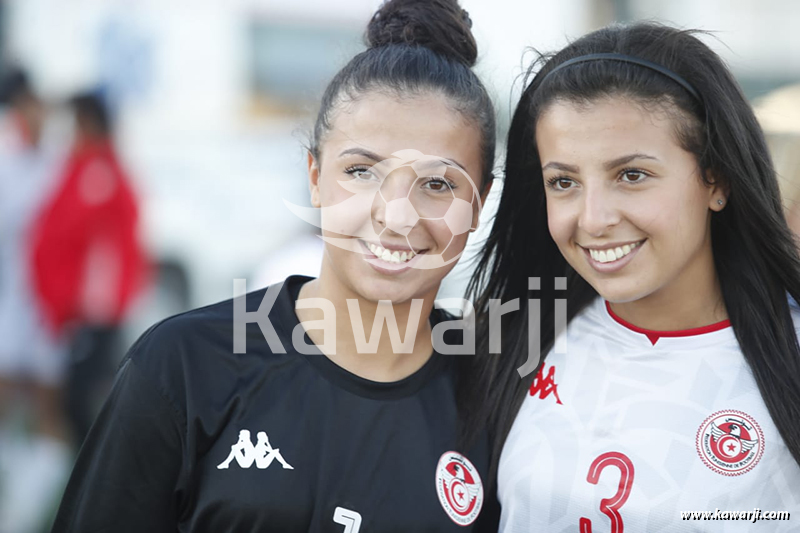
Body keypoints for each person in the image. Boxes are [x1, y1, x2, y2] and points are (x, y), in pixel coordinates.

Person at [52, 0, 498, 531]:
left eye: (438, 184)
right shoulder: (185, 369)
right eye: (361, 171)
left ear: (478, 202)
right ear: (314, 178)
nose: (395, 215)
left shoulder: (497, 402)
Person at [464, 22, 800, 531]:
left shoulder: (789, 359)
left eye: (632, 175)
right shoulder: (511, 340)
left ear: (717, 179)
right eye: (564, 182)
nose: (593, 219)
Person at [30, 91, 148, 446]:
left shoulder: (97, 175)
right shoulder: (88, 170)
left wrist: (72, 301)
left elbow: (81, 242)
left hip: (90, 310)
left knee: (80, 400)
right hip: (78, 310)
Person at [0, 68, 72, 533]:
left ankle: (36, 510)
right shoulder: (8, 154)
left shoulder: (55, 160)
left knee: (47, 403)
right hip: (11, 299)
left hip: (48, 304)